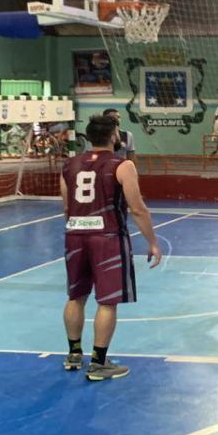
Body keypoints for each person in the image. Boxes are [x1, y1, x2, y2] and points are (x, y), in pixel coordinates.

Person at [60, 115, 163, 381]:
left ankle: (73, 355)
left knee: (76, 297)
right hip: (107, 238)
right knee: (107, 301)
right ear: (115, 136)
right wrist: (152, 241)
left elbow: (65, 207)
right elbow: (137, 208)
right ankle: (98, 363)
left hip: (74, 234)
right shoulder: (123, 165)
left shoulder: (69, 165)